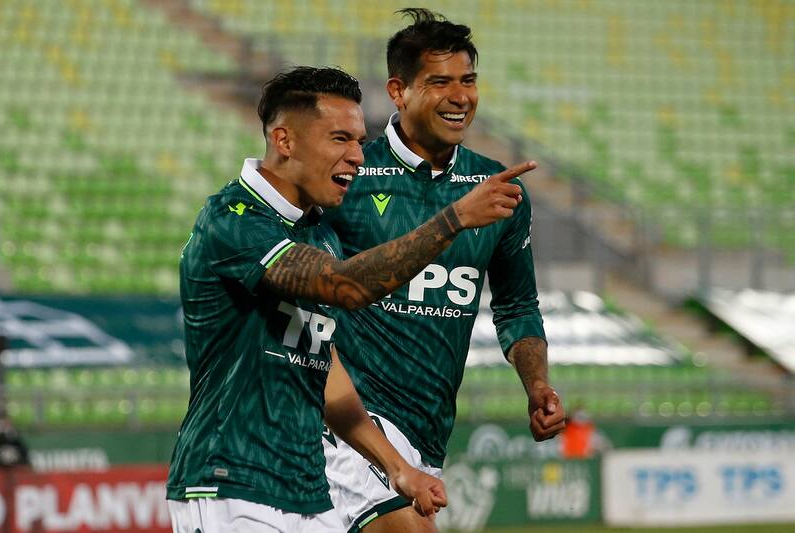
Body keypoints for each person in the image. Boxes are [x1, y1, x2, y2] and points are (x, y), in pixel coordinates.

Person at [166, 66, 535, 532]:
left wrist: (397, 467)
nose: (358, 156)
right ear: (285, 141)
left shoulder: (318, 231)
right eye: (340, 139)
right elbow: (346, 286)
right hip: (232, 481)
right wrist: (453, 219)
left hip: (307, 491)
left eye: (360, 140)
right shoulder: (233, 220)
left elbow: (326, 373)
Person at [322, 9, 567, 532]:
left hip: (429, 430)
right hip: (353, 420)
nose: (460, 97)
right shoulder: (350, 174)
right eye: (440, 82)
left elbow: (518, 306)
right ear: (398, 90)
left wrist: (537, 385)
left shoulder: (498, 190)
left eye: (468, 81)